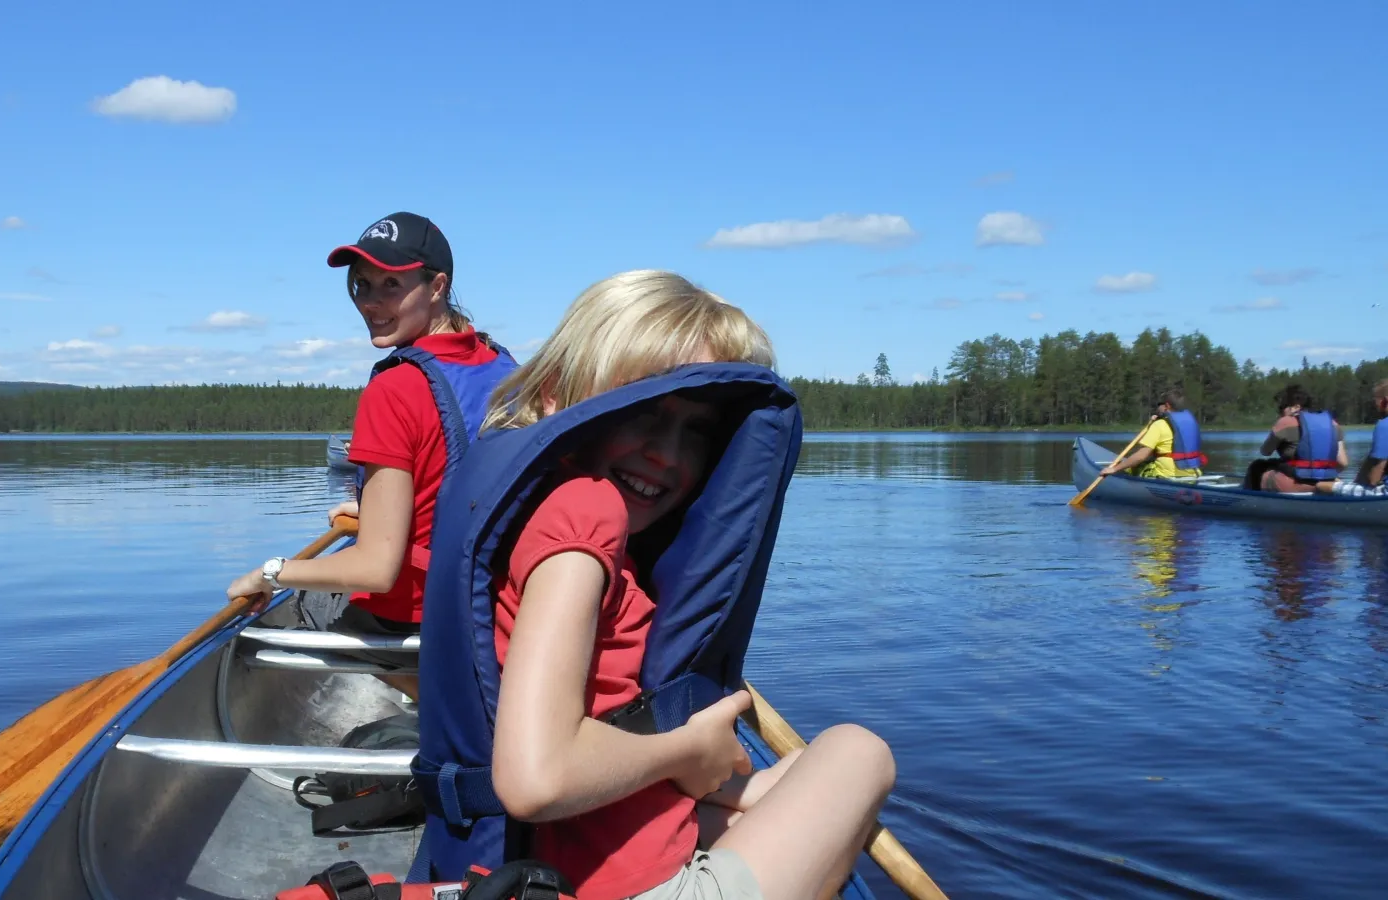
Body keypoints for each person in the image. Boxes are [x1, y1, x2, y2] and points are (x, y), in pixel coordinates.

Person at [412, 271, 896, 900]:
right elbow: (536, 778)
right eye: (643, 409)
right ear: (559, 397)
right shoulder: (588, 514)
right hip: (625, 888)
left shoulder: (533, 499)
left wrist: (695, 760)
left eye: (697, 430)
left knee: (794, 771)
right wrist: (685, 750)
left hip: (559, 855)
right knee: (859, 753)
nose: (668, 454)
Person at [225, 211, 517, 695]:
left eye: (391, 285)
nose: (372, 303)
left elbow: (376, 570)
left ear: (437, 285)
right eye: (361, 286)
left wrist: (272, 573)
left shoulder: (396, 387)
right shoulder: (504, 367)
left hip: (425, 615)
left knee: (311, 606)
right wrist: (381, 510)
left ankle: (448, 716)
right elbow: (465, 475)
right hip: (497, 601)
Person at [1246, 384, 1349, 493]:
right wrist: (1322, 476)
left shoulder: (1285, 422)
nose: (1280, 413)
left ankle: (1249, 501)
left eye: (1282, 408)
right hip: (1329, 481)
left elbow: (1265, 451)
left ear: (1296, 407)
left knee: (1257, 466)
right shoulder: (1332, 424)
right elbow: (1342, 463)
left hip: (1294, 483)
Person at [1100, 388, 1206, 480]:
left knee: (1130, 468)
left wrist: (1114, 469)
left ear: (1167, 406)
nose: (1157, 407)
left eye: (1159, 404)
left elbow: (1140, 457)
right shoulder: (1191, 422)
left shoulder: (1159, 425)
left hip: (1166, 475)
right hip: (1193, 473)